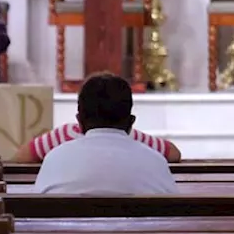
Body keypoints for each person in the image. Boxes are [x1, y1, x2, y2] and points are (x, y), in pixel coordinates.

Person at [33, 73, 179, 195]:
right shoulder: (156, 161)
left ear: (80, 121)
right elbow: (176, 216)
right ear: (130, 122)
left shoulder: (54, 159)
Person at [12, 120, 182, 163]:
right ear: (129, 120)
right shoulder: (134, 138)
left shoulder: (65, 135)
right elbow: (174, 153)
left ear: (80, 118)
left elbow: (21, 156)